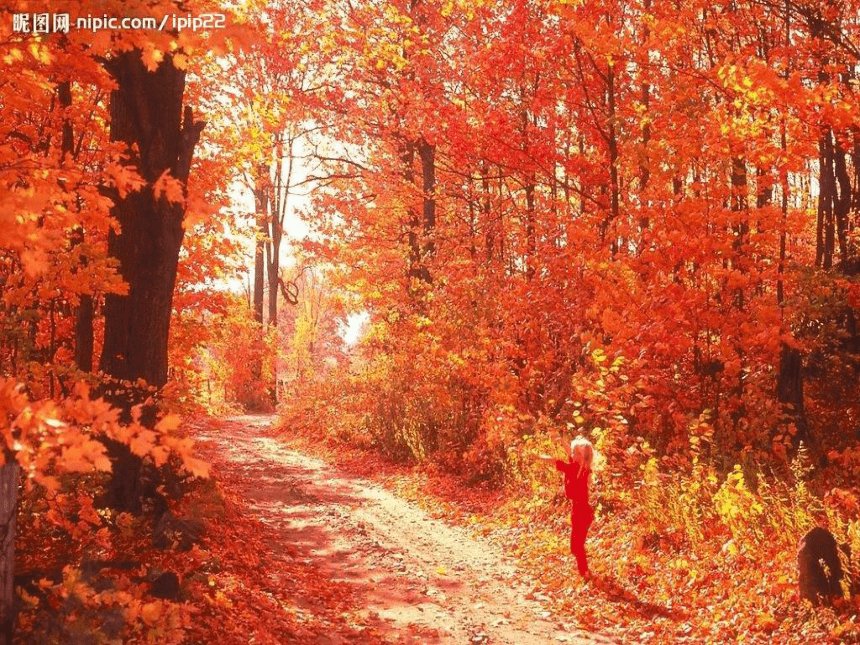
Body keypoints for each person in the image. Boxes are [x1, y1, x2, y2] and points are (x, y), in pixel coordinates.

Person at [538, 436, 595, 577]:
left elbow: (554, 461)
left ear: (580, 457)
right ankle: (584, 570)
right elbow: (572, 454)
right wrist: (563, 442)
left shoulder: (573, 469)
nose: (572, 455)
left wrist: (538, 457)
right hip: (584, 512)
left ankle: (585, 572)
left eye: (576, 453)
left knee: (577, 546)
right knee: (575, 546)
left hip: (580, 512)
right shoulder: (584, 467)